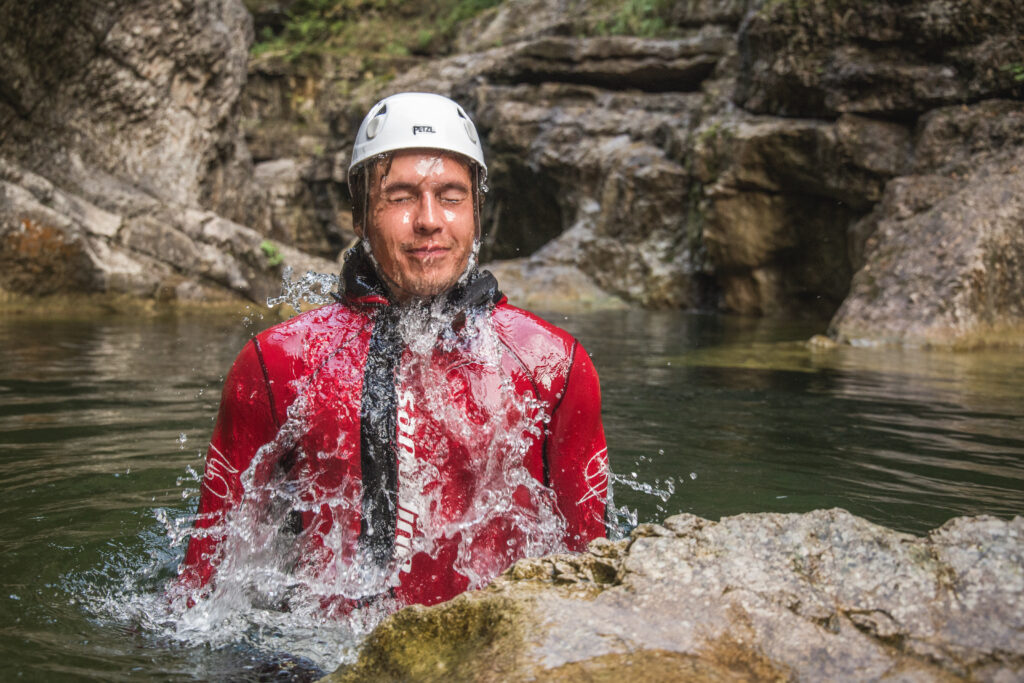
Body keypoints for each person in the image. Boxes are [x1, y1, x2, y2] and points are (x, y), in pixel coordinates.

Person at [178, 92, 609, 609]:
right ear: (360, 215)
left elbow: (594, 573)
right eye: (401, 197)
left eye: (451, 196)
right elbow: (200, 588)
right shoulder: (277, 363)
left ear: (476, 212)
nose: (429, 220)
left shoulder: (551, 363)